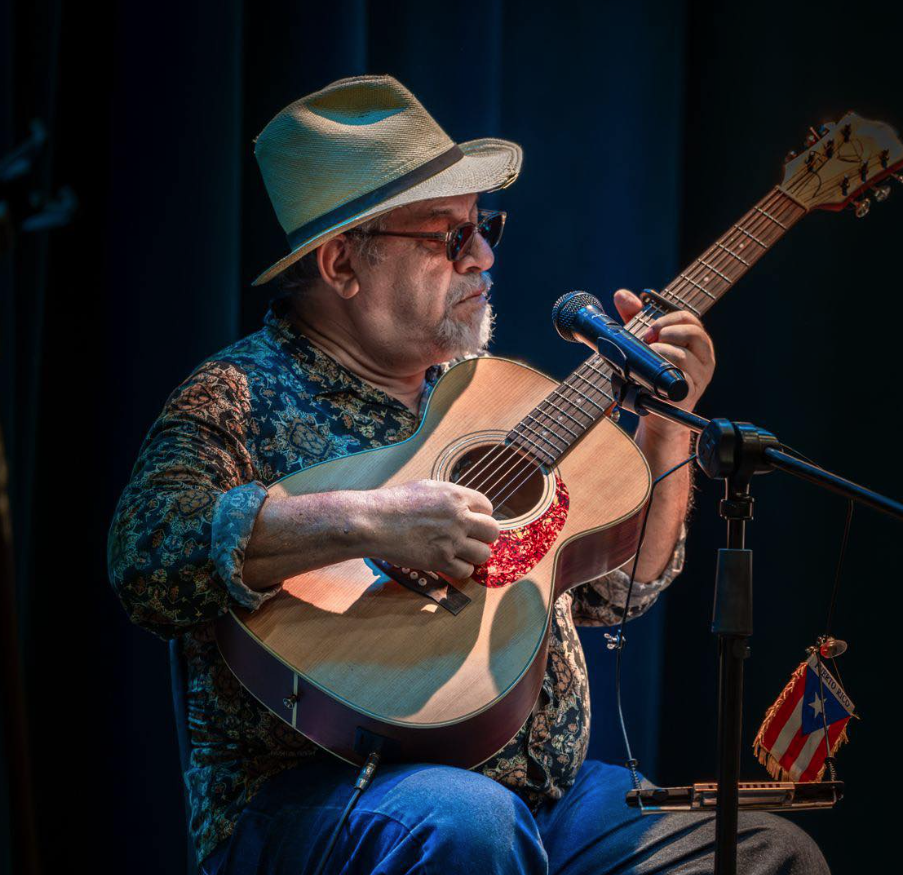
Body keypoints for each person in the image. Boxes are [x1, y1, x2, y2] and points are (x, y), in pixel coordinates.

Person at [107, 74, 828, 874]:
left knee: (765, 849)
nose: (483, 254)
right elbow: (146, 555)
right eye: (449, 237)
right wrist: (371, 519)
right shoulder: (239, 395)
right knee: (468, 823)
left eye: (483, 226)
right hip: (319, 795)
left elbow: (622, 589)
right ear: (343, 263)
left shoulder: (489, 392)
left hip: (545, 799)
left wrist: (665, 426)